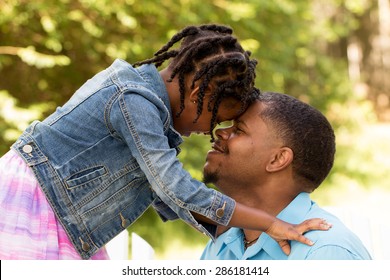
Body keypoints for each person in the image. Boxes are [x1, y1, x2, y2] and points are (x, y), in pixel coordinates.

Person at [0, 24, 329, 260]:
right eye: (213, 119)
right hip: (33, 203)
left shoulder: (148, 111)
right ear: (198, 94)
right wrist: (270, 222)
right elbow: (176, 188)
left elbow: (166, 196)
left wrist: (231, 235)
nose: (210, 132)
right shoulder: (133, 101)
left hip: (64, 213)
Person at [201, 92, 372, 260]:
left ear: (278, 159)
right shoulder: (223, 244)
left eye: (239, 129)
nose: (220, 132)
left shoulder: (325, 252)